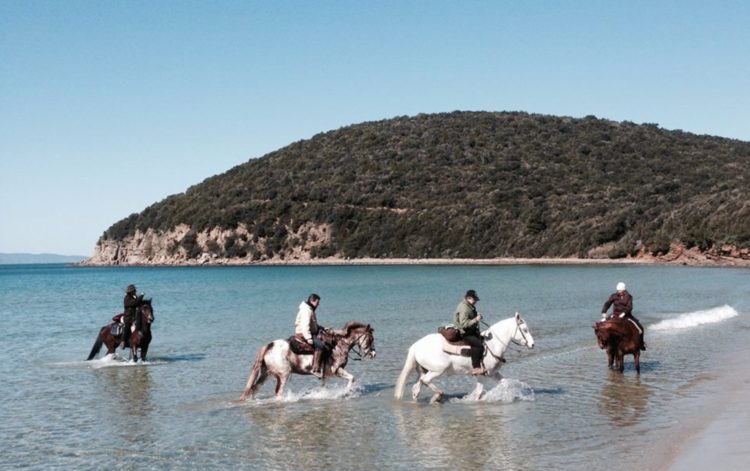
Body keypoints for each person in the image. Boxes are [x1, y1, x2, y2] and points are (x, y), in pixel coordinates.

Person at [601, 282, 646, 350]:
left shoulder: (629, 297)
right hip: (615, 315)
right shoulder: (614, 296)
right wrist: (604, 311)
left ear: (624, 290)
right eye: (618, 290)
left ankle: (641, 344)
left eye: (620, 290)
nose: (618, 292)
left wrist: (624, 313)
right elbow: (607, 303)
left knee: (640, 328)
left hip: (626, 315)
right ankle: (605, 343)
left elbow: (629, 307)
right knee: (601, 325)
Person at [454, 289, 486, 375]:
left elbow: (469, 318)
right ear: (469, 298)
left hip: (470, 331)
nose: (476, 301)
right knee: (478, 345)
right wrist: (476, 319)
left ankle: (483, 364)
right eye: (474, 299)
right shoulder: (464, 308)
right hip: (464, 333)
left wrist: (476, 316)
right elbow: (464, 324)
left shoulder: (468, 306)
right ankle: (476, 367)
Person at [295, 293, 326, 378]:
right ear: (312, 301)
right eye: (317, 303)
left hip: (310, 332)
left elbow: (313, 325)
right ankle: (315, 369)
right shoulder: (307, 311)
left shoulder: (310, 309)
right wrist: (308, 338)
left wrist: (322, 328)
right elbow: (305, 326)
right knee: (320, 346)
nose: (318, 305)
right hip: (304, 333)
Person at [121, 284, 144, 349]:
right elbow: (135, 303)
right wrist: (141, 296)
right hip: (128, 317)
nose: (135, 291)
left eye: (135, 290)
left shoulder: (134, 297)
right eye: (134, 290)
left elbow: (138, 303)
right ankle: (123, 341)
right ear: (131, 291)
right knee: (127, 327)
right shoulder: (127, 298)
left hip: (135, 316)